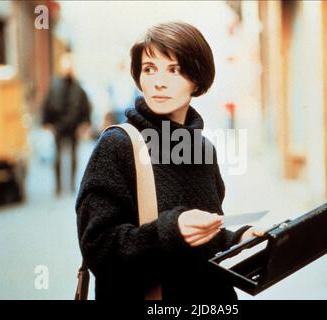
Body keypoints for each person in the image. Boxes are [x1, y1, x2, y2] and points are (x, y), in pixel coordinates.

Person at [75, 21, 264, 300]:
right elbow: (99, 249)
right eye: (149, 69)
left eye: (174, 70)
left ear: (197, 80)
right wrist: (169, 231)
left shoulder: (203, 149)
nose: (158, 81)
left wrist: (240, 240)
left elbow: (205, 236)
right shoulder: (118, 145)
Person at [41, 49, 91, 195]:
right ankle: (58, 186)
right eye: (65, 64)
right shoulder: (54, 86)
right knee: (57, 157)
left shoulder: (78, 88)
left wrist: (84, 124)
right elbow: (47, 104)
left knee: (74, 156)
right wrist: (47, 123)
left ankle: (70, 185)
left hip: (73, 125)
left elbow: (85, 106)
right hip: (58, 125)